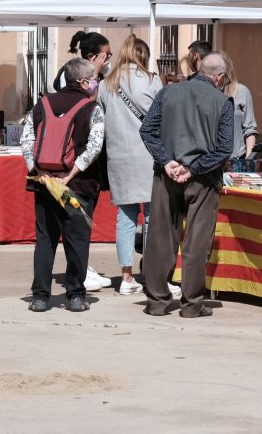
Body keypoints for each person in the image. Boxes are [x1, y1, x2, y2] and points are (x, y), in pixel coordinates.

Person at [139, 52, 233, 318]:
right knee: (197, 241)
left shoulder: (168, 92)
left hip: (166, 176)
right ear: (220, 77)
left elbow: (147, 130)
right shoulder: (223, 101)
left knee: (160, 237)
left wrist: (167, 162)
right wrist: (193, 169)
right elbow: (224, 148)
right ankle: (192, 304)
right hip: (202, 180)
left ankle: (157, 301)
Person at [21, 57, 105, 313]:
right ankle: (76, 295)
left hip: (45, 186)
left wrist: (39, 171)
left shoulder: (42, 104)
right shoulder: (92, 108)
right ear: (82, 82)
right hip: (77, 187)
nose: (96, 83)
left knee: (45, 240)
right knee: (77, 241)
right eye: (94, 79)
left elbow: (26, 140)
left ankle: (40, 297)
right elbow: (94, 146)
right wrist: (70, 175)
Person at [98, 35, 163, 295]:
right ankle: (150, 273)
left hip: (118, 156)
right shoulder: (152, 80)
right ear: (143, 56)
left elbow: (101, 119)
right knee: (150, 216)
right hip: (148, 156)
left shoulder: (106, 85)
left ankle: (126, 277)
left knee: (125, 217)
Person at [55, 30, 114, 292]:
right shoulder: (72, 79)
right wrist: (97, 75)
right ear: (93, 56)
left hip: (84, 163)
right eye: (106, 55)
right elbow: (85, 108)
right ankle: (78, 271)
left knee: (81, 219)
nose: (109, 59)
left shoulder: (94, 78)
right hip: (74, 161)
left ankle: (81, 265)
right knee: (77, 218)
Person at [218, 51, 257, 160]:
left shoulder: (242, 91)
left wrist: (248, 160)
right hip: (210, 164)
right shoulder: (207, 93)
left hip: (236, 161)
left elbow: (250, 128)